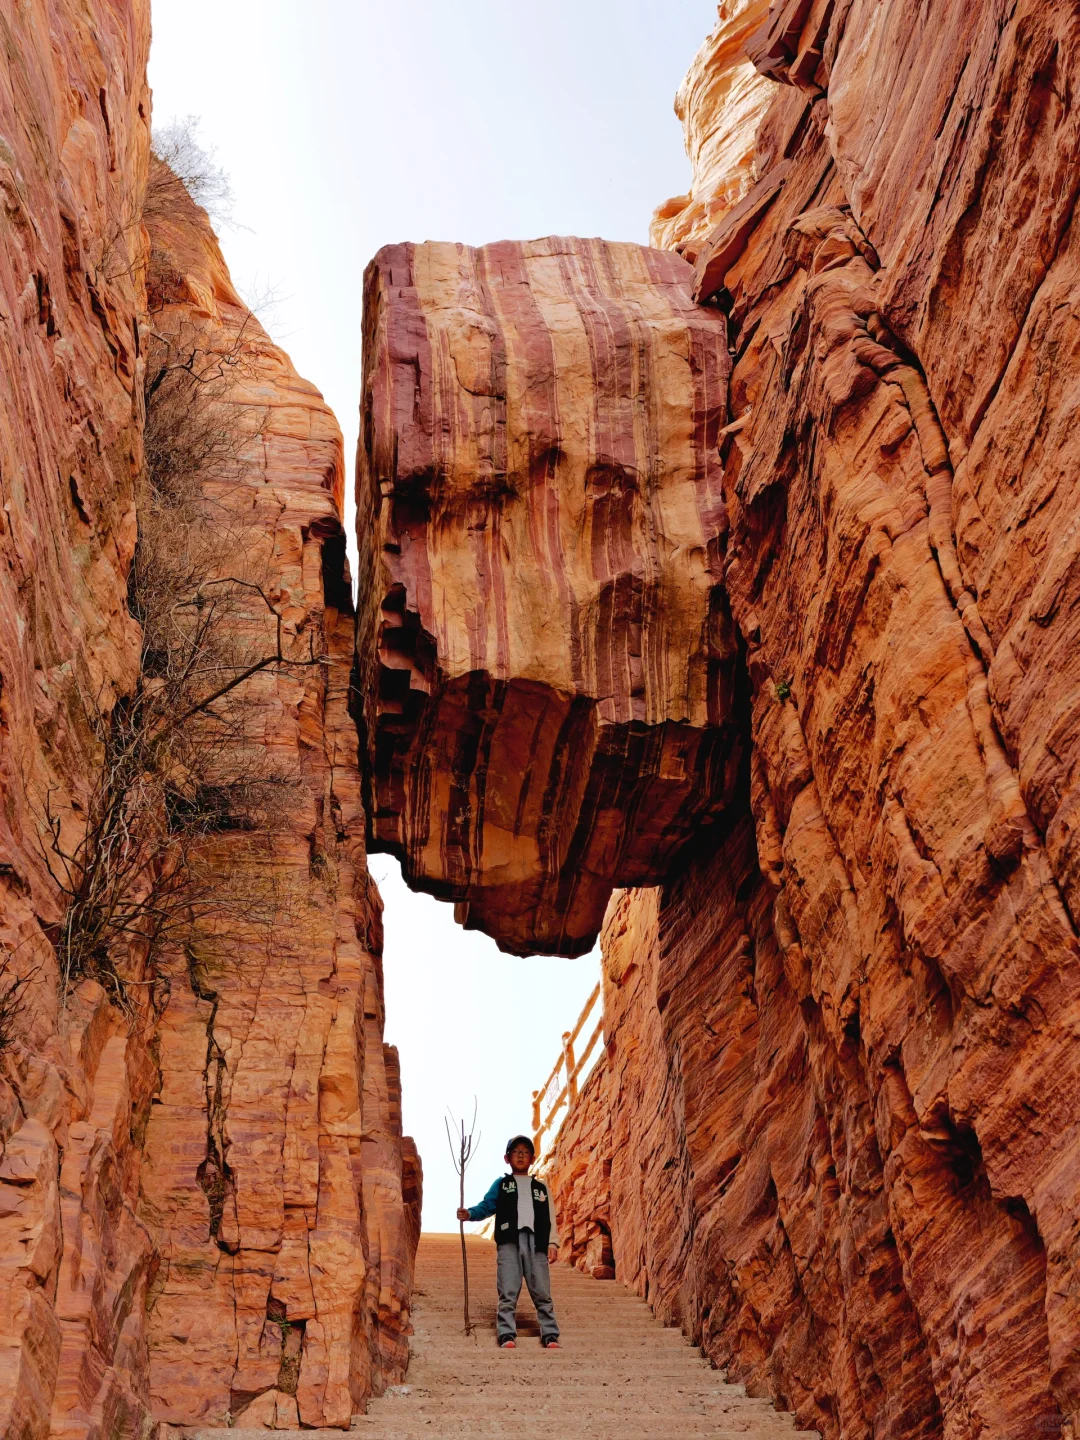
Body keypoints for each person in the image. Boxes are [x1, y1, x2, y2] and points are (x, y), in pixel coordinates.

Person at [457, 1134, 561, 1349]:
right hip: (509, 1242)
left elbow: (550, 1216)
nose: (521, 1155)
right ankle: (506, 1334)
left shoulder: (541, 1188)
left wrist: (552, 1243)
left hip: (537, 1242)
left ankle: (550, 1334)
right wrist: (469, 1214)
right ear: (507, 1158)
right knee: (508, 1288)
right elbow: (487, 1206)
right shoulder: (502, 1184)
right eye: (516, 1152)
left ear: (532, 1158)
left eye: (525, 1152)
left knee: (541, 1289)